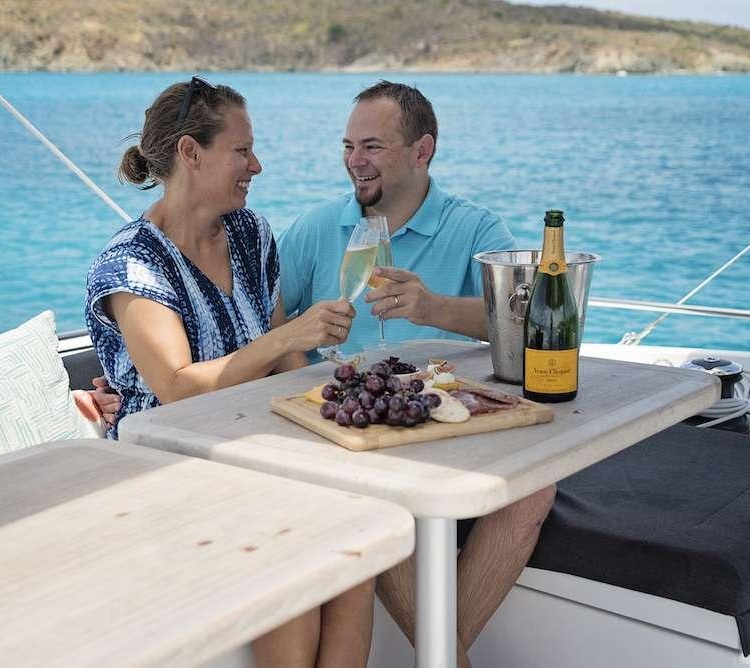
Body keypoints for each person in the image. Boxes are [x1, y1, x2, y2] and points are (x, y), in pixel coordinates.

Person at [84, 77, 373, 668]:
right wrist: (290, 335)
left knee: (358, 551)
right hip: (166, 467)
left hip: (261, 452)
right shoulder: (130, 263)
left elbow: (290, 366)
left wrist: (336, 419)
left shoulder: (249, 233)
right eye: (241, 151)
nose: (256, 165)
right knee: (299, 564)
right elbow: (175, 387)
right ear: (191, 153)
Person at [277, 81, 556, 668]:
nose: (356, 160)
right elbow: (271, 324)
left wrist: (434, 309)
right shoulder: (315, 227)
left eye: (373, 146)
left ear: (422, 151)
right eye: (349, 145)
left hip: (447, 421)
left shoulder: (475, 229)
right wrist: (301, 372)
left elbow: (528, 321)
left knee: (535, 488)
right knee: (381, 503)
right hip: (348, 425)